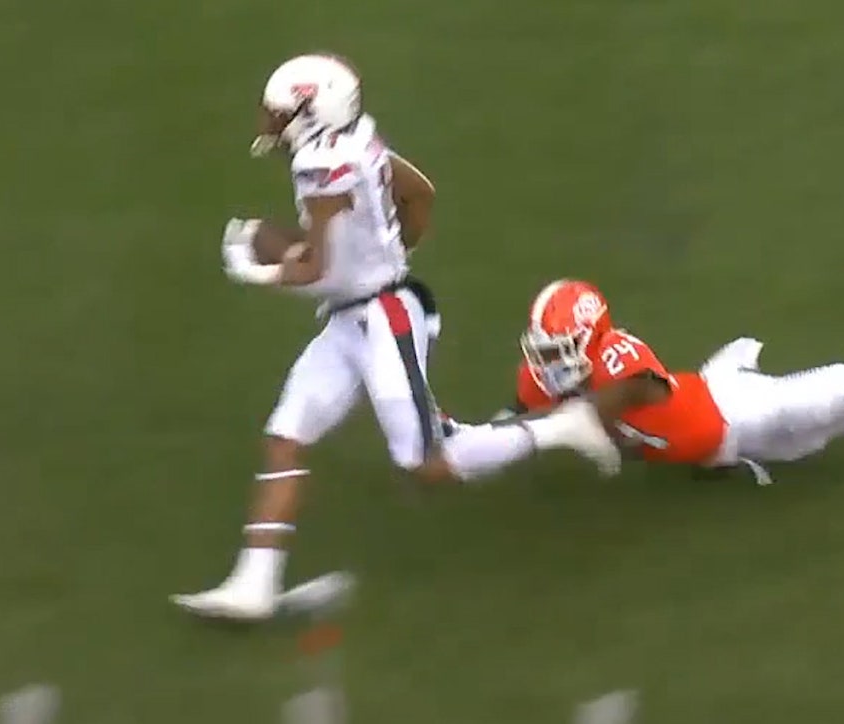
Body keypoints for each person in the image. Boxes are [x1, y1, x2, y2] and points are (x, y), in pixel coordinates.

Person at [171, 53, 620, 622]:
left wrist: (256, 267)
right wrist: (388, 250)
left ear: (311, 112)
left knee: (425, 465)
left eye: (280, 112)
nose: (271, 124)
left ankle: (562, 427)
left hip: (384, 318)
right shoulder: (356, 138)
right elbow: (420, 193)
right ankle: (255, 582)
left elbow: (319, 271)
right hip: (355, 316)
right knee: (287, 433)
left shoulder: (318, 163)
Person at [457, 215, 844, 484]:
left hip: (741, 412)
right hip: (723, 430)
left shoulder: (619, 361)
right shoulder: (543, 378)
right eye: (544, 350)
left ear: (594, 340)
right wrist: (467, 441)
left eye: (560, 350)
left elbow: (630, 395)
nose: (547, 364)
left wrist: (569, 425)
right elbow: (516, 417)